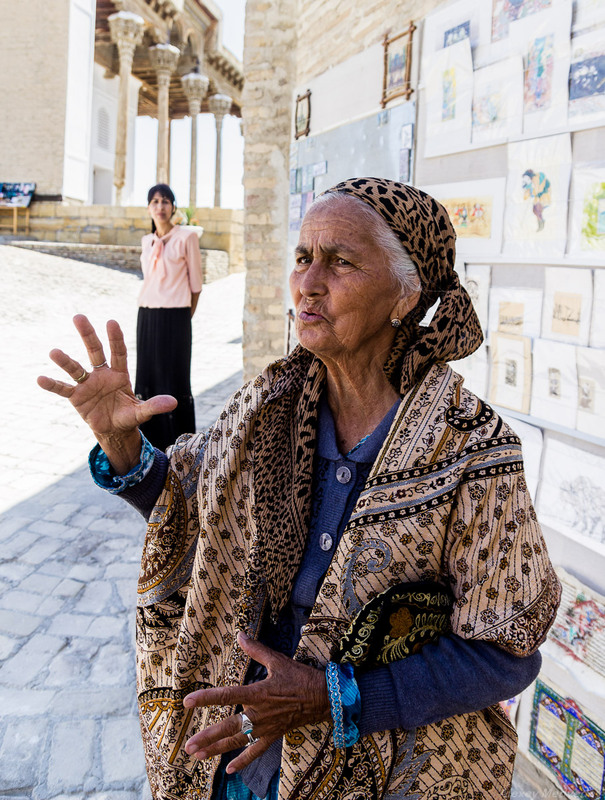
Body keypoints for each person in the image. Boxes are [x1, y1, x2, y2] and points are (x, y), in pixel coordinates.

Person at [38, 178, 561, 800]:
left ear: (405, 293)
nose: (308, 283)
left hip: (389, 773)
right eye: (303, 258)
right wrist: (120, 444)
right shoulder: (268, 407)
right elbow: (188, 513)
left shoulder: (471, 446)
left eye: (341, 262)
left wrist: (333, 698)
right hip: (240, 764)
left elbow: (508, 649)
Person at [134, 183, 203, 451]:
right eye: (155, 201)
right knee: (148, 379)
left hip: (176, 318)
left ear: (173, 207)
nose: (160, 207)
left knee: (174, 379)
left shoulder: (187, 238)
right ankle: (150, 445)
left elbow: (196, 286)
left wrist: (184, 319)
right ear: (149, 207)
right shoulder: (147, 241)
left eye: (165, 201)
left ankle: (181, 446)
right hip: (147, 317)